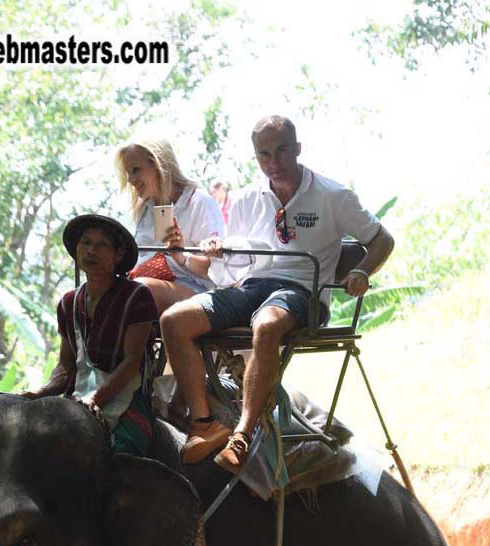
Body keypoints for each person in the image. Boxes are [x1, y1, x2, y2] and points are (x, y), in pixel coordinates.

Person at [161, 115, 395, 472]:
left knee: (266, 325)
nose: (273, 163)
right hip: (252, 286)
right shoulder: (247, 199)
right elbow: (236, 263)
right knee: (174, 320)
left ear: (298, 149)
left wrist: (362, 270)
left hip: (304, 292)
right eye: (264, 155)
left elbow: (383, 239)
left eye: (281, 151)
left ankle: (242, 434)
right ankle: (204, 424)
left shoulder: (333, 196)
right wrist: (219, 251)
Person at [25, 214, 157, 460]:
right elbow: (66, 366)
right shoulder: (68, 302)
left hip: (126, 400)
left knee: (124, 458)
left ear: (118, 256)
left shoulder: (137, 296)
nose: (91, 250)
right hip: (78, 399)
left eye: (101, 245)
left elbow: (131, 362)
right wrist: (39, 393)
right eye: (85, 243)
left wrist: (95, 398)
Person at [115, 138, 224, 315]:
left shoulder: (199, 202)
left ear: (158, 165)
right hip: (144, 285)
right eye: (128, 173)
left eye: (135, 170)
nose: (130, 180)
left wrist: (180, 256)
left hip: (195, 291)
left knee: (140, 290)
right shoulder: (145, 209)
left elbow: (215, 270)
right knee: (90, 293)